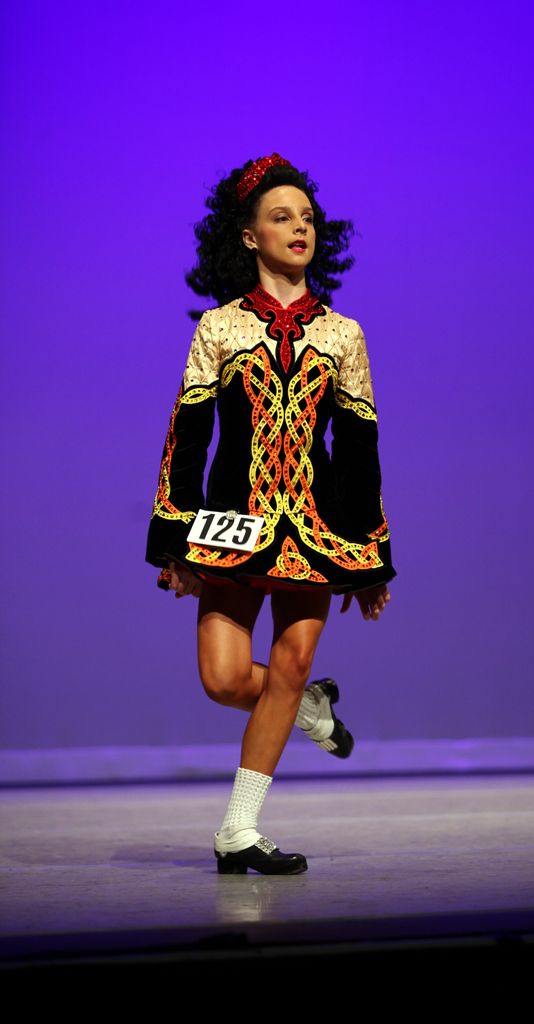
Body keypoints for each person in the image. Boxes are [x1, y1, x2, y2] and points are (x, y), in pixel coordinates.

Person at [146, 153, 396, 875]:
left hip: (317, 530)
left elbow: (359, 450)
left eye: (307, 218)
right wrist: (175, 542)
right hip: (234, 525)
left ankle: (239, 828)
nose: (299, 228)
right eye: (281, 217)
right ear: (249, 236)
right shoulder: (220, 328)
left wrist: (369, 558)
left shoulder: (343, 334)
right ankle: (309, 708)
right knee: (224, 680)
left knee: (289, 664)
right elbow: (187, 439)